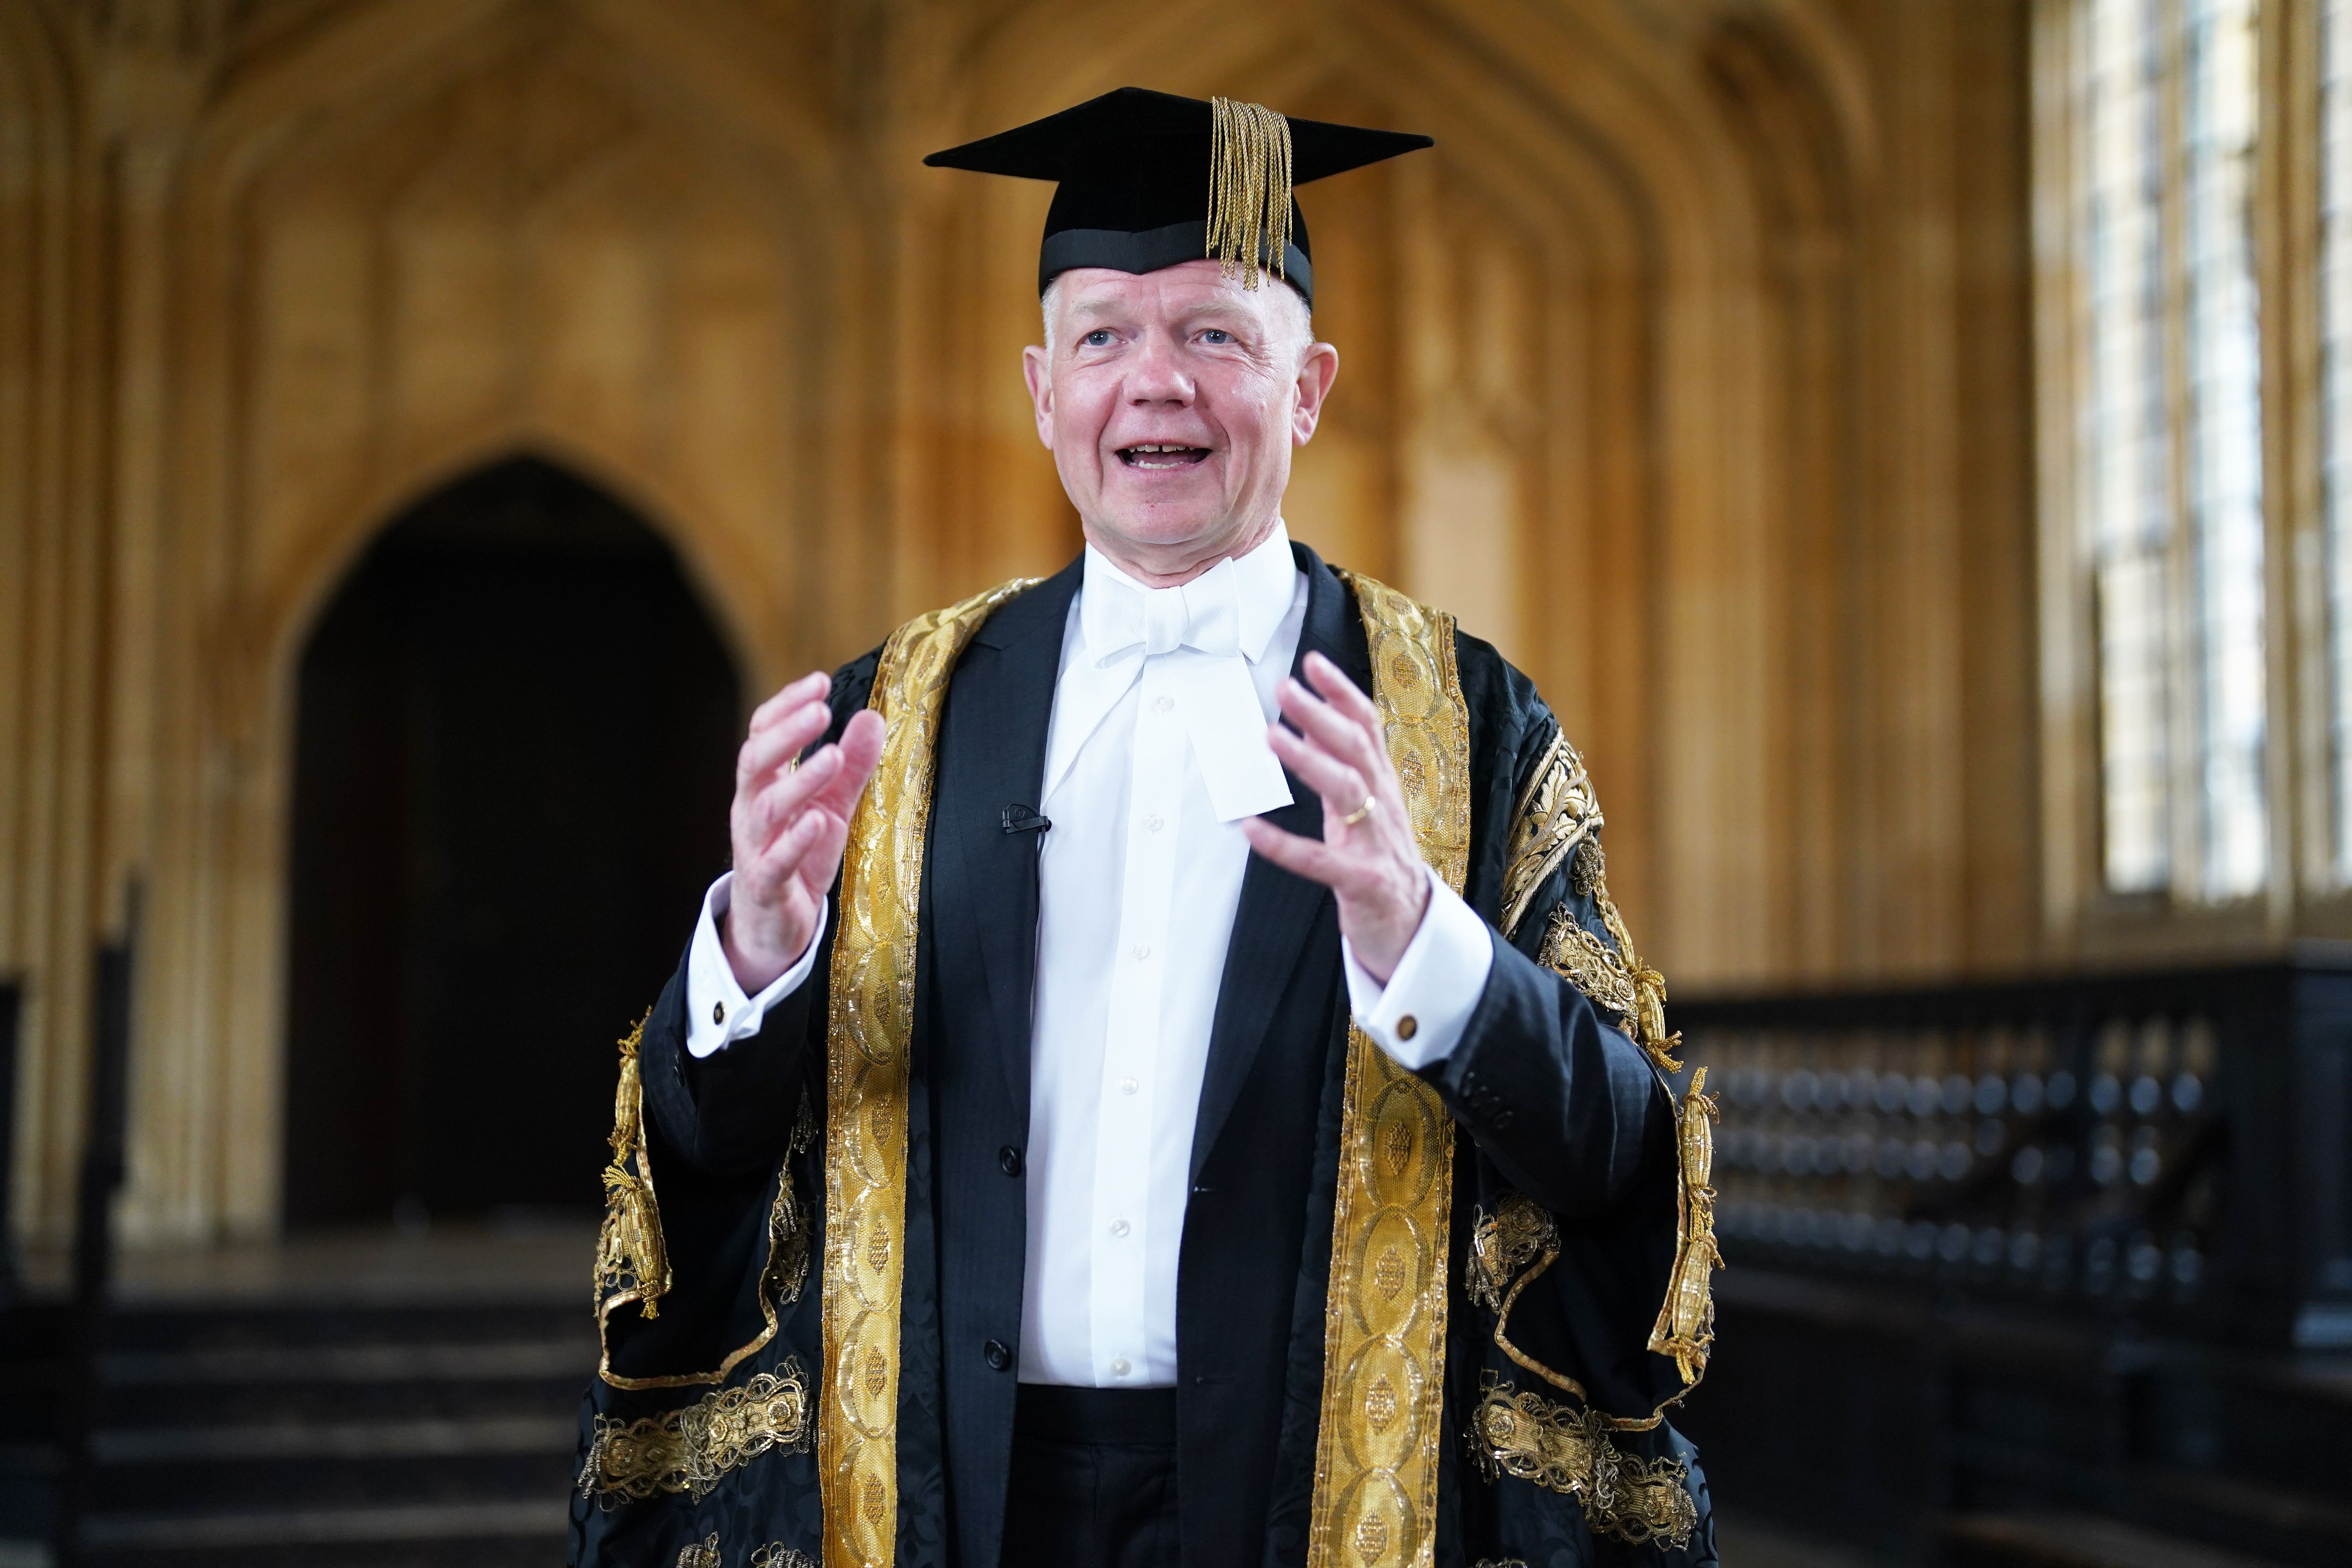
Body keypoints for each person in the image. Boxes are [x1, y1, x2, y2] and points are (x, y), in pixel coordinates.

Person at [570, 87, 1720, 1568]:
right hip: (954, 1493)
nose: (1154, 384)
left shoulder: (1469, 727)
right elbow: (706, 1172)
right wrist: (754, 960)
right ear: (1044, 393)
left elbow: (1628, 1156)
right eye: (1105, 336)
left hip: (1307, 1500)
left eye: (1216, 336)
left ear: (1307, 389)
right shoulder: (890, 722)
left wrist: (1425, 942)